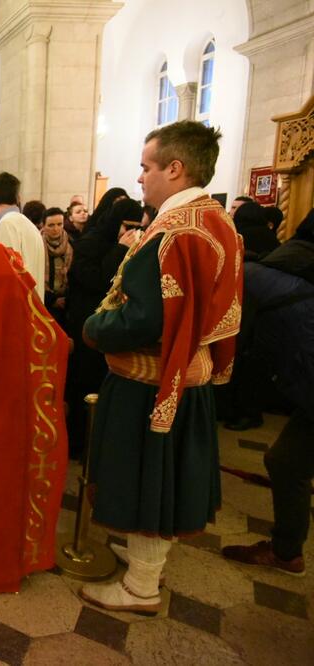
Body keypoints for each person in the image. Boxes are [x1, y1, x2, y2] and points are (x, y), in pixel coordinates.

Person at [79, 121, 242, 614]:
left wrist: (95, 327)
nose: (141, 178)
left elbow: (146, 319)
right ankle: (143, 561)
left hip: (154, 379)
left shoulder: (173, 230)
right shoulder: (216, 218)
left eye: (147, 167)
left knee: (149, 479)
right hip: (187, 372)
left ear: (175, 168)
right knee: (162, 477)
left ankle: (141, 587)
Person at [221, 210, 314, 576]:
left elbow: (232, 330)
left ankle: (286, 551)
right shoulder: (285, 273)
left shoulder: (263, 275)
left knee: (287, 462)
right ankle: (286, 549)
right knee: (286, 461)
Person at [64, 198, 144, 457]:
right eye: (126, 225)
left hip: (111, 330)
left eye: (136, 226)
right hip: (85, 325)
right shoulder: (89, 243)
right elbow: (97, 280)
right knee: (83, 387)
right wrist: (120, 250)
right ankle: (79, 445)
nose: (130, 232)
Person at [0, 172, 47, 300]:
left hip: (17, 309)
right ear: (18, 198)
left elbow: (7, 274)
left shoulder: (6, 224)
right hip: (31, 309)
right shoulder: (29, 225)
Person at [41, 207, 71, 326]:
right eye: (51, 225)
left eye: (59, 224)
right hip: (44, 300)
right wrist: (51, 300)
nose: (56, 229)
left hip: (66, 300)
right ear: (43, 226)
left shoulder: (71, 244)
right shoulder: (37, 243)